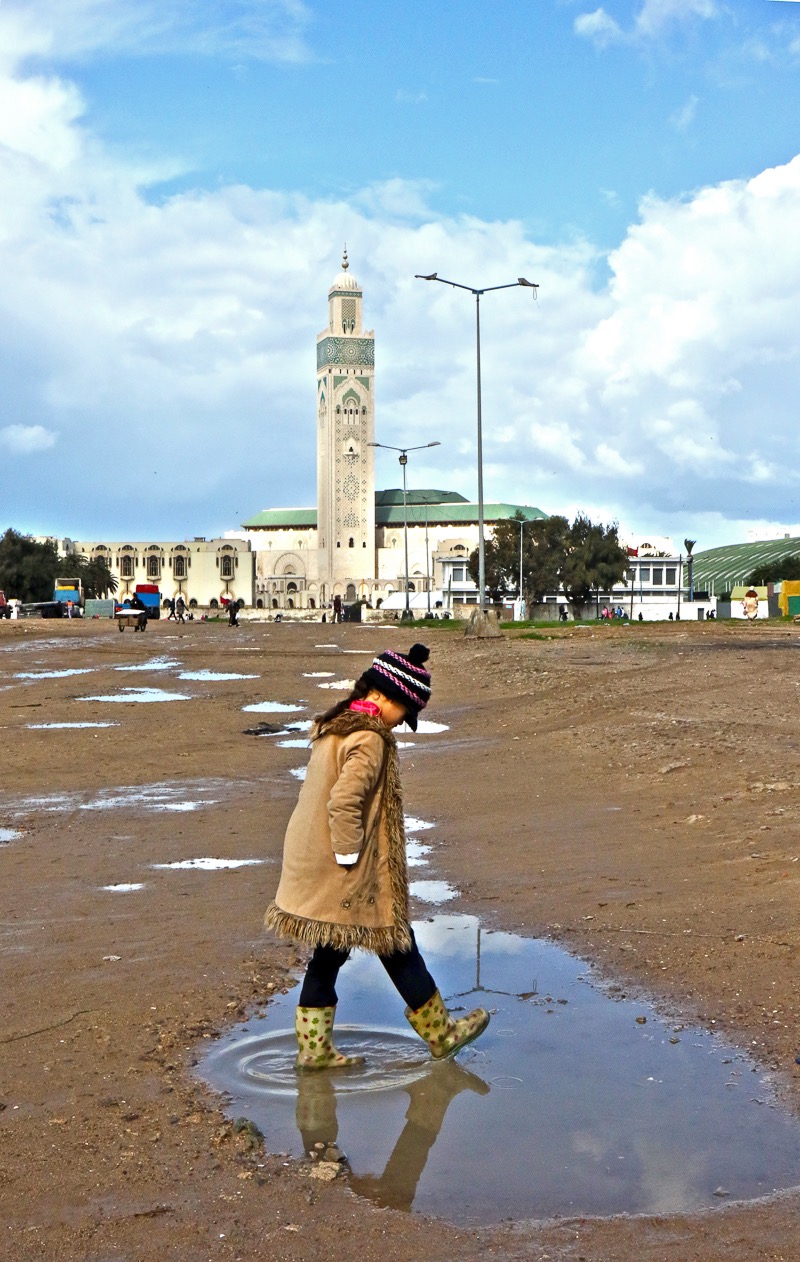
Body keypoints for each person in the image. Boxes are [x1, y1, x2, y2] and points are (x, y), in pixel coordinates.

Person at [265, 643, 489, 1070]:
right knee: (396, 941)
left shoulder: (336, 726)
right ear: (386, 697)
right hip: (343, 868)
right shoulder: (368, 737)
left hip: (316, 860)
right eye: (406, 710)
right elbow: (344, 802)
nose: (404, 721)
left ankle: (314, 1051)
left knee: (330, 953)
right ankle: (441, 1035)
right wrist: (350, 858)